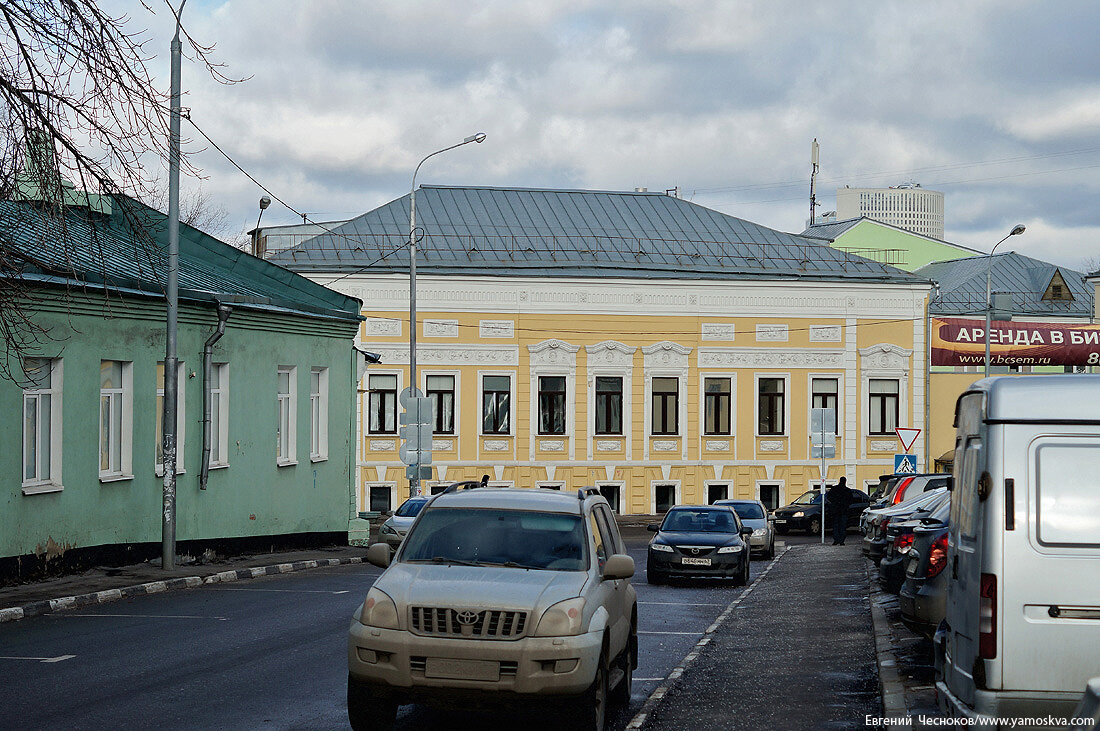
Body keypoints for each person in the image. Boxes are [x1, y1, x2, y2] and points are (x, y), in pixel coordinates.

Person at [826, 477, 853, 545]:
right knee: (842, 526)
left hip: (836, 510)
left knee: (836, 525)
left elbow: (829, 497)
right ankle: (841, 541)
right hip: (843, 510)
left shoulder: (834, 489)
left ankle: (836, 540)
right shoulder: (847, 490)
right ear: (845, 481)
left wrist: (834, 504)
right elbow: (851, 500)